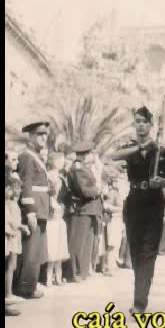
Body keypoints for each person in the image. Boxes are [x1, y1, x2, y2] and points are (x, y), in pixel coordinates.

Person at [111, 106, 165, 315]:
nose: (141, 125)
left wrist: (160, 181)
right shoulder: (130, 147)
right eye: (138, 121)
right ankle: (140, 291)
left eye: (145, 121)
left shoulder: (160, 149)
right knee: (136, 252)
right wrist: (139, 148)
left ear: (151, 125)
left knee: (147, 252)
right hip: (134, 201)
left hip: (154, 203)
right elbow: (114, 155)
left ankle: (139, 301)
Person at [14, 121, 51, 299]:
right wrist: (30, 211)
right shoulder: (26, 156)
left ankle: (31, 285)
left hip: (42, 206)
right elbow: (25, 184)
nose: (43, 137)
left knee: (36, 251)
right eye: (39, 134)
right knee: (30, 250)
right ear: (30, 136)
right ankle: (25, 288)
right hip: (34, 207)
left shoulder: (36, 156)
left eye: (45, 134)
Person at [67, 142, 104, 283]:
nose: (92, 156)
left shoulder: (84, 167)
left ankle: (82, 272)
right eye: (90, 153)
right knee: (79, 242)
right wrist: (99, 190)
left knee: (87, 242)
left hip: (90, 209)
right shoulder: (78, 168)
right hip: (83, 208)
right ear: (84, 155)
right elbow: (85, 191)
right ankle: (76, 273)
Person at [44, 152, 70, 286]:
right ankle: (49, 278)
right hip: (52, 215)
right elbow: (49, 194)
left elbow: (63, 195)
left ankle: (58, 277)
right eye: (60, 160)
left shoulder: (61, 177)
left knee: (59, 247)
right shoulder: (49, 175)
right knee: (52, 247)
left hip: (59, 214)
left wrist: (62, 205)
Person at [6, 172, 29, 313]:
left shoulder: (13, 203)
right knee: (10, 265)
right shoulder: (8, 204)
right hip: (11, 237)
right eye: (14, 188)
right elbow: (10, 221)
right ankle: (8, 293)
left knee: (13, 265)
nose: (18, 191)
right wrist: (20, 227)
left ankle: (10, 291)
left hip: (15, 236)